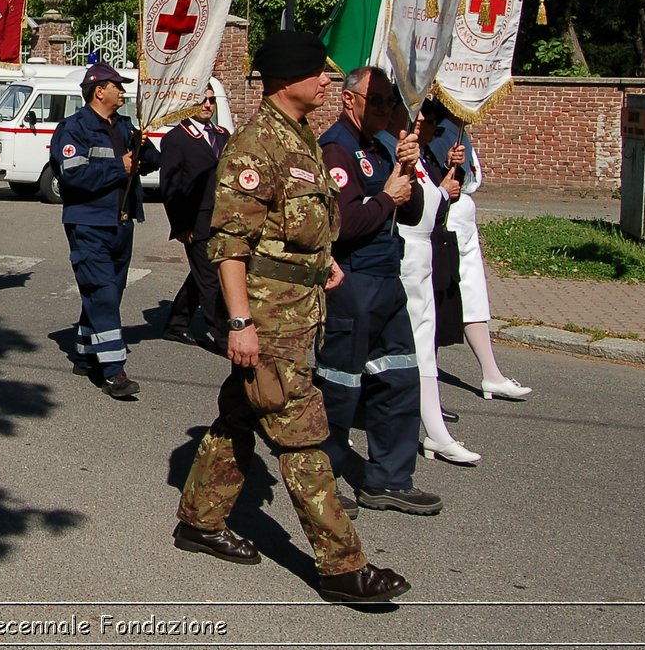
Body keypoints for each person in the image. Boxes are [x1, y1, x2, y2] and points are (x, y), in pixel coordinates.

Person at [172, 30, 410, 605]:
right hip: (266, 321)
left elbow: (296, 226)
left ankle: (200, 521)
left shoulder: (300, 138)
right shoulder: (257, 147)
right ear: (286, 80)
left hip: (299, 313)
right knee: (302, 436)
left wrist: (320, 262)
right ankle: (342, 566)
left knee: (240, 416)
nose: (328, 80)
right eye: (317, 72)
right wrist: (239, 324)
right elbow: (227, 244)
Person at [317, 66, 440, 516]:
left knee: (399, 378)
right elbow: (344, 225)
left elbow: (412, 214)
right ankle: (322, 479)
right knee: (339, 386)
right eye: (379, 101)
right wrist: (386, 197)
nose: (387, 110)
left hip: (388, 279)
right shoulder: (337, 149)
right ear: (350, 100)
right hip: (353, 281)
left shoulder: (381, 147)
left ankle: (389, 478)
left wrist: (412, 167)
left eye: (391, 103)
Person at [49, 61, 159, 398]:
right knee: (102, 293)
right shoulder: (73, 129)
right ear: (99, 91)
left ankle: (84, 353)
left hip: (122, 223)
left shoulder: (125, 126)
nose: (123, 92)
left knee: (107, 292)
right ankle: (114, 372)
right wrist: (119, 166)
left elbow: (153, 160)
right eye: (117, 86)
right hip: (89, 223)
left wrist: (143, 150)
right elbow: (73, 176)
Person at [387, 98, 479, 464]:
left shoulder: (422, 156)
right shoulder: (399, 154)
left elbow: (431, 206)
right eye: (420, 116)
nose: (425, 123)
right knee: (403, 350)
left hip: (424, 260)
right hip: (403, 260)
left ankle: (434, 430)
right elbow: (404, 207)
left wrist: (446, 183)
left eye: (429, 119)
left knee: (423, 349)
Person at [427, 105, 534, 401]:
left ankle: (491, 373)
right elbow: (436, 176)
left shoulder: (457, 132)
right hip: (446, 223)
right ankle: (428, 376)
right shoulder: (439, 132)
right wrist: (451, 165)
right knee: (440, 297)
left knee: (472, 295)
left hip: (463, 223)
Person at [157, 78, 229, 346]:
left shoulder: (222, 135)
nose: (207, 105)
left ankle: (177, 321)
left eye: (211, 100)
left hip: (223, 219)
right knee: (212, 279)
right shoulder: (176, 139)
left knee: (202, 274)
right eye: (202, 99)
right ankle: (223, 335)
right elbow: (171, 187)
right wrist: (181, 226)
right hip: (196, 221)